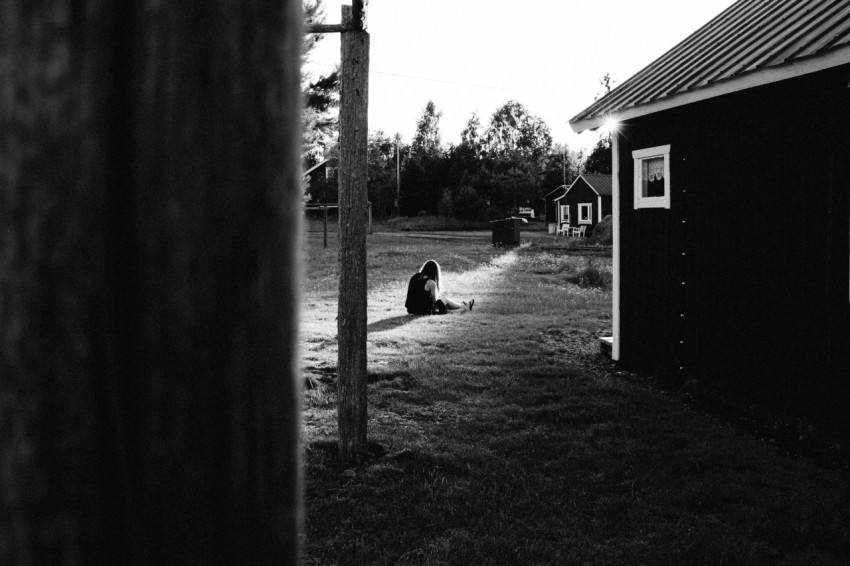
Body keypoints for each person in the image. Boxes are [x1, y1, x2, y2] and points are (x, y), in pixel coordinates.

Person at [405, 259, 474, 315]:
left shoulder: (415, 276)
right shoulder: (431, 283)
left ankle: (462, 305)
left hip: (411, 309)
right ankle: (462, 307)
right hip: (422, 310)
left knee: (443, 300)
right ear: (435, 272)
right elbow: (435, 301)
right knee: (444, 299)